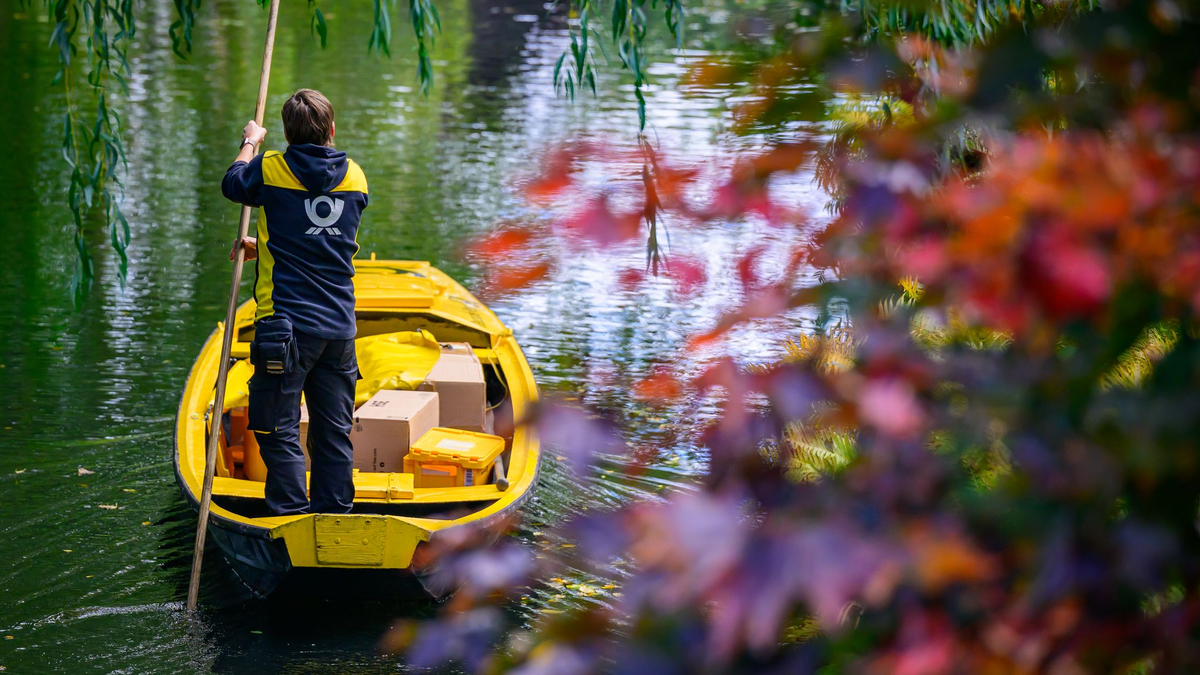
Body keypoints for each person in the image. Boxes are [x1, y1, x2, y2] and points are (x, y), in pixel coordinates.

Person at [221, 88, 368, 515]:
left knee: (275, 426)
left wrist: (250, 141)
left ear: (285, 132)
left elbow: (233, 184)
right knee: (333, 430)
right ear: (332, 130)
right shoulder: (355, 177)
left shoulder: (270, 168)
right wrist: (263, 244)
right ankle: (334, 514)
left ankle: (289, 516)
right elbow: (324, 237)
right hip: (339, 328)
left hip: (285, 328)